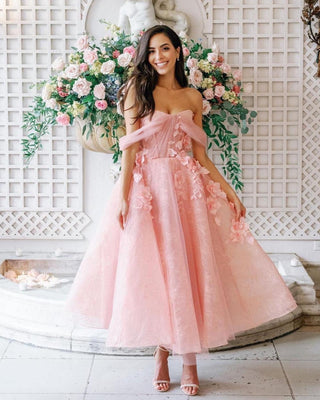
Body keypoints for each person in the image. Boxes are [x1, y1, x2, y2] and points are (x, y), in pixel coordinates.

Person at [64, 25, 298, 396]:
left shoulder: (192, 96)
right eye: (153, 51)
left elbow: (200, 153)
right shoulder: (137, 93)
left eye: (165, 49)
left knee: (188, 273)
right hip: (150, 192)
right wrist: (125, 197)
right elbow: (129, 153)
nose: (159, 57)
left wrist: (228, 190)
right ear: (146, 55)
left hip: (188, 191)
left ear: (177, 52)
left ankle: (188, 361)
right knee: (158, 274)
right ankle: (161, 353)